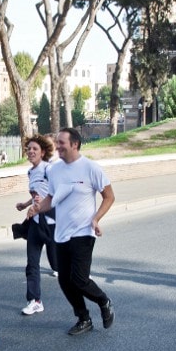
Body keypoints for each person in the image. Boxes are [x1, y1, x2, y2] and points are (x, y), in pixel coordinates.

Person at [29, 127, 115, 335]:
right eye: (57, 142)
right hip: (61, 233)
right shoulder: (55, 170)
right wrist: (36, 208)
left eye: (61, 143)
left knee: (79, 279)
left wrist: (96, 218)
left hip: (84, 232)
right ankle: (83, 318)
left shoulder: (90, 168)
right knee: (64, 281)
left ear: (74, 144)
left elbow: (109, 196)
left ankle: (103, 301)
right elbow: (51, 197)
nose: (57, 146)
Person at [15, 135, 59, 316]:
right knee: (32, 263)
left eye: (35, 149)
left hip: (51, 222)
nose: (31, 151)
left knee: (57, 259)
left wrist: (40, 206)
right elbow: (37, 195)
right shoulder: (31, 172)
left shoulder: (49, 169)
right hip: (35, 223)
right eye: (29, 149)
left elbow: (57, 194)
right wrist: (26, 205)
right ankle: (35, 300)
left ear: (43, 152)